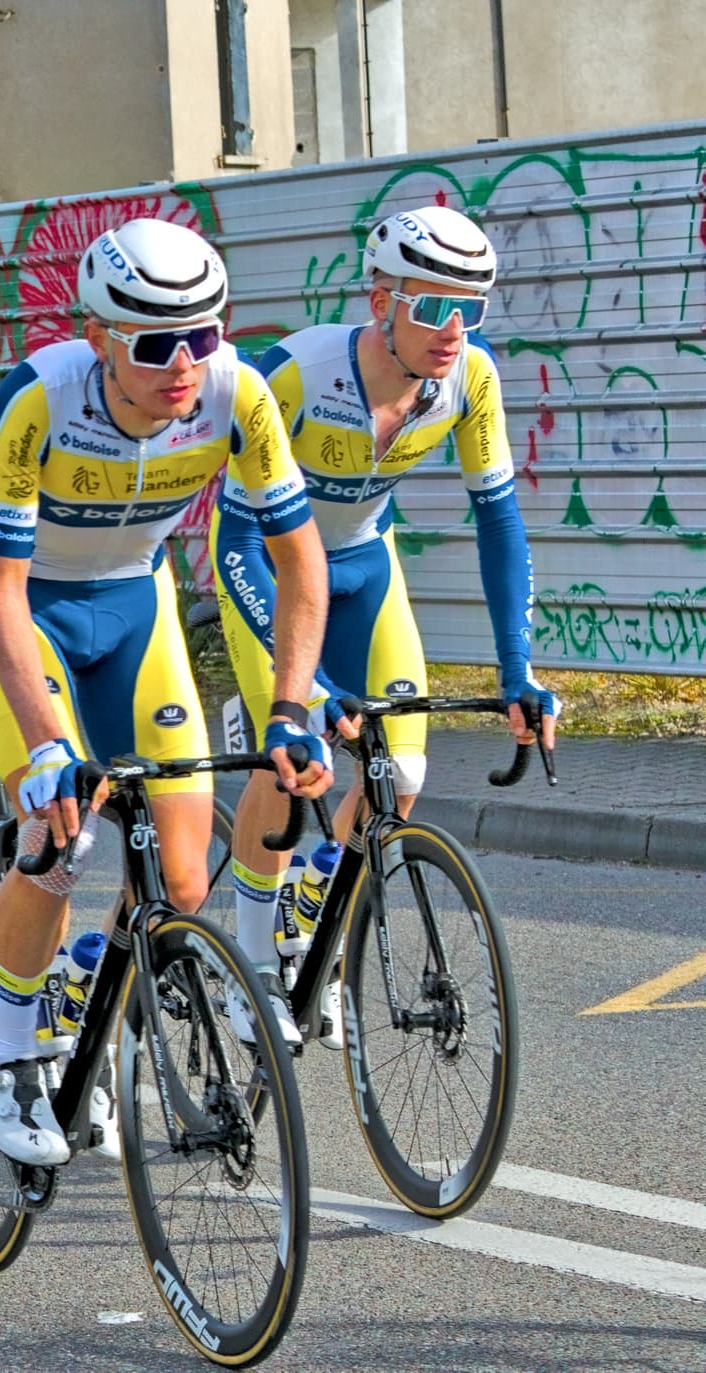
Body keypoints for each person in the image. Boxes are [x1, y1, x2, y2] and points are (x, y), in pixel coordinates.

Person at [0, 217, 333, 1166]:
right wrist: (47, 742)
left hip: (139, 602)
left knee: (176, 882)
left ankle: (88, 981)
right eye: (158, 343)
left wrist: (290, 710)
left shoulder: (237, 394)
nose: (186, 364)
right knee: (58, 838)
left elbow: (302, 566)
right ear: (97, 339)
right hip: (32, 608)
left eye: (204, 336)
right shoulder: (39, 397)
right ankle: (8, 1059)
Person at [213, 205, 557, 1049]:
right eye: (433, 306)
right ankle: (253, 964)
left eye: (471, 309)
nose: (454, 330)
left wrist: (518, 667)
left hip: (365, 566)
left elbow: (499, 519)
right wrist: (310, 689)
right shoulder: (295, 373)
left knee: (399, 768)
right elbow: (233, 545)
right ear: (381, 300)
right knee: (292, 756)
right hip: (268, 569)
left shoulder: (470, 380)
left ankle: (313, 905)